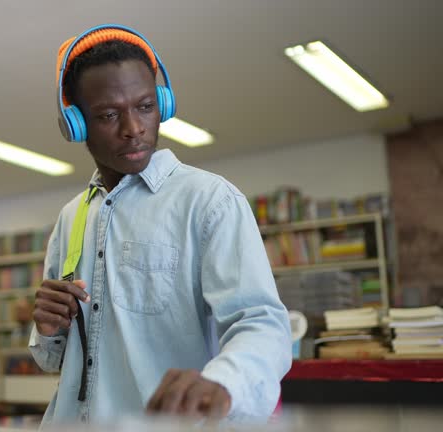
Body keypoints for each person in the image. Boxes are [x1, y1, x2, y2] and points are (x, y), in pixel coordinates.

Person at [28, 24, 292, 426]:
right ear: (75, 124)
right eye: (109, 114)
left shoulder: (209, 202)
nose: (133, 127)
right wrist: (48, 330)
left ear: (163, 104)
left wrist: (223, 382)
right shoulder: (72, 217)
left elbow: (262, 324)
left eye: (146, 106)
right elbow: (56, 362)